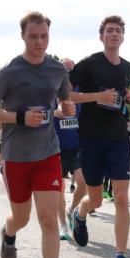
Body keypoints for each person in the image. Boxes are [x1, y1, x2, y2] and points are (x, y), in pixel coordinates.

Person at [0, 10, 75, 258]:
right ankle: (8, 235)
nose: (39, 41)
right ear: (23, 36)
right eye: (33, 36)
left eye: (44, 36)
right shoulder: (10, 72)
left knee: (48, 219)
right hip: (16, 156)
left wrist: (67, 108)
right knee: (20, 218)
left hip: (48, 152)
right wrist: (20, 117)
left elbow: (64, 99)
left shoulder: (56, 70)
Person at [67, 15, 130, 258]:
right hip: (91, 138)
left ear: (123, 36)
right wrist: (97, 97)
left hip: (119, 138)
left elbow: (122, 95)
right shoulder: (88, 65)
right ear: (101, 36)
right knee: (95, 200)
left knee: (121, 198)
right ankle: (79, 214)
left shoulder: (128, 67)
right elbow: (66, 94)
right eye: (109, 31)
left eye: (118, 31)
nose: (114, 34)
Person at [55, 58, 86, 242]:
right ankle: (63, 225)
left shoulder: (79, 92)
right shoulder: (50, 90)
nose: (68, 74)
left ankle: (71, 209)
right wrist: (54, 112)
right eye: (65, 71)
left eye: (71, 71)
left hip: (76, 145)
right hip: (55, 147)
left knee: (84, 183)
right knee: (59, 188)